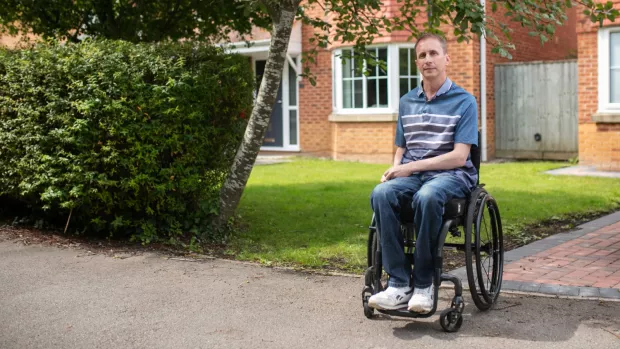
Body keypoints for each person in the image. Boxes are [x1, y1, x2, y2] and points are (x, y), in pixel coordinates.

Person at [368, 33, 478, 313]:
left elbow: (460, 156)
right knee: (381, 194)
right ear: (416, 62)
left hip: (452, 175)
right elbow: (401, 149)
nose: (428, 59)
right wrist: (394, 170)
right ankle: (398, 284)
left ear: (446, 59)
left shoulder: (465, 101)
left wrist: (408, 167)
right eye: (422, 55)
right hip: (413, 174)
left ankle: (424, 284)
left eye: (433, 53)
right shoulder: (407, 102)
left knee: (428, 197)